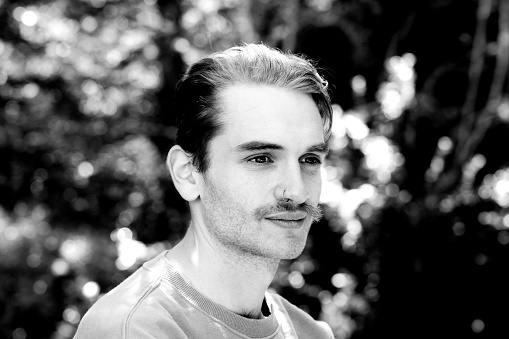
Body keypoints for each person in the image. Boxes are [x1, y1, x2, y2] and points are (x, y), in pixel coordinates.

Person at [73, 43, 334, 339]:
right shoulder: (132, 329)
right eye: (261, 158)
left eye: (310, 160)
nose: (298, 191)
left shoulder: (311, 333)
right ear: (187, 174)